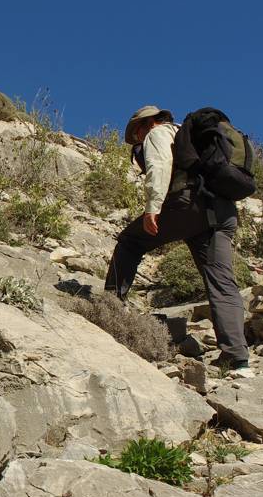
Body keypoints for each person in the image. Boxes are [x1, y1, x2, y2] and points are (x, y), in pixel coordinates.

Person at [104, 105, 253, 378]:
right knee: (222, 282)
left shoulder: (158, 133)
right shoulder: (193, 137)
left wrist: (153, 207)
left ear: (146, 124)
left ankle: (107, 307)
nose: (137, 141)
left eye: (136, 134)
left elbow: (158, 166)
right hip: (222, 211)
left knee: (129, 241)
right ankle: (237, 360)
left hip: (189, 206)